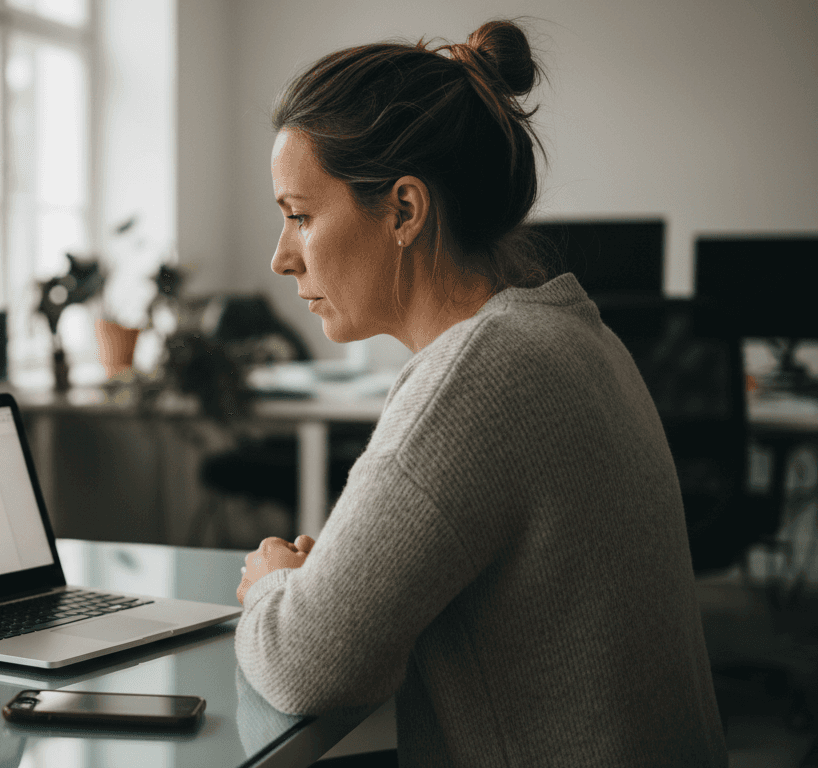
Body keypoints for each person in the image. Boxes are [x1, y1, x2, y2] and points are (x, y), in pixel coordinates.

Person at [232, 19, 728, 767]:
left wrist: (273, 588)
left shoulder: (476, 379)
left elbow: (302, 663)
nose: (280, 258)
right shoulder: (570, 330)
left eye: (300, 216)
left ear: (404, 209)